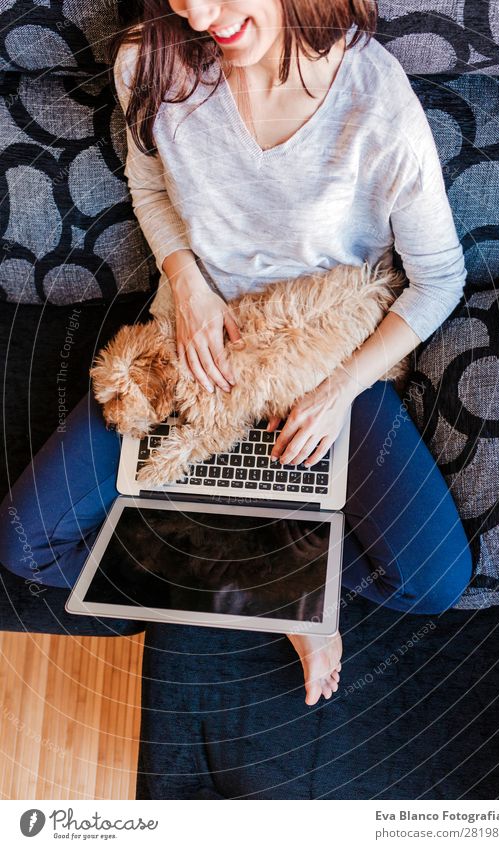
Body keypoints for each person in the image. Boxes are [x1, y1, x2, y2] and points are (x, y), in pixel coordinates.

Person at [0, 0, 473, 706]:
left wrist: (338, 389)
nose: (199, 14)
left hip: (316, 351)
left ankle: (256, 579)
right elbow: (149, 183)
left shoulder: (376, 104)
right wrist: (185, 280)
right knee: (22, 543)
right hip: (188, 351)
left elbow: (440, 279)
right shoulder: (150, 60)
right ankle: (280, 597)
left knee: (433, 576)